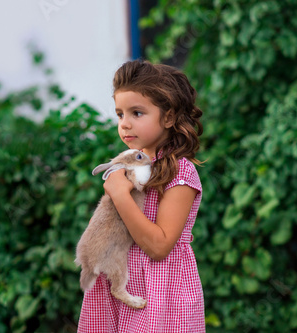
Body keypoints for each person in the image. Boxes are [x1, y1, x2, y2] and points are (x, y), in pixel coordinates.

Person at [77, 59, 205, 332]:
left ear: (168, 117)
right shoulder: (129, 168)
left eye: (137, 113)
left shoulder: (179, 172)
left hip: (160, 292)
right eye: (120, 114)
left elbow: (159, 247)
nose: (125, 124)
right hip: (121, 280)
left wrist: (121, 195)